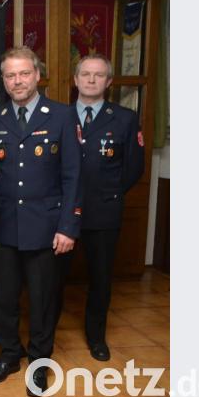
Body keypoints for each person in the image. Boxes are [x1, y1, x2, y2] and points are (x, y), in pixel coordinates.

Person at [0, 47, 81, 397]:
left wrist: (68, 226)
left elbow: (73, 176)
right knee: (4, 300)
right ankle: (10, 355)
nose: (17, 80)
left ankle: (39, 362)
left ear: (37, 75)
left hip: (47, 226)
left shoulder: (62, 115)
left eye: (23, 73)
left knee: (42, 300)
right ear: (3, 81)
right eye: (10, 75)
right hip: (5, 227)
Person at [61, 54, 145, 361]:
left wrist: (107, 192)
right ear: (75, 80)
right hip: (63, 213)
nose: (91, 80)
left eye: (98, 75)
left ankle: (96, 337)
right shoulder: (61, 116)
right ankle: (48, 332)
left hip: (103, 211)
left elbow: (134, 167)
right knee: (54, 278)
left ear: (109, 82)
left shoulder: (124, 118)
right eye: (85, 74)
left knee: (100, 278)